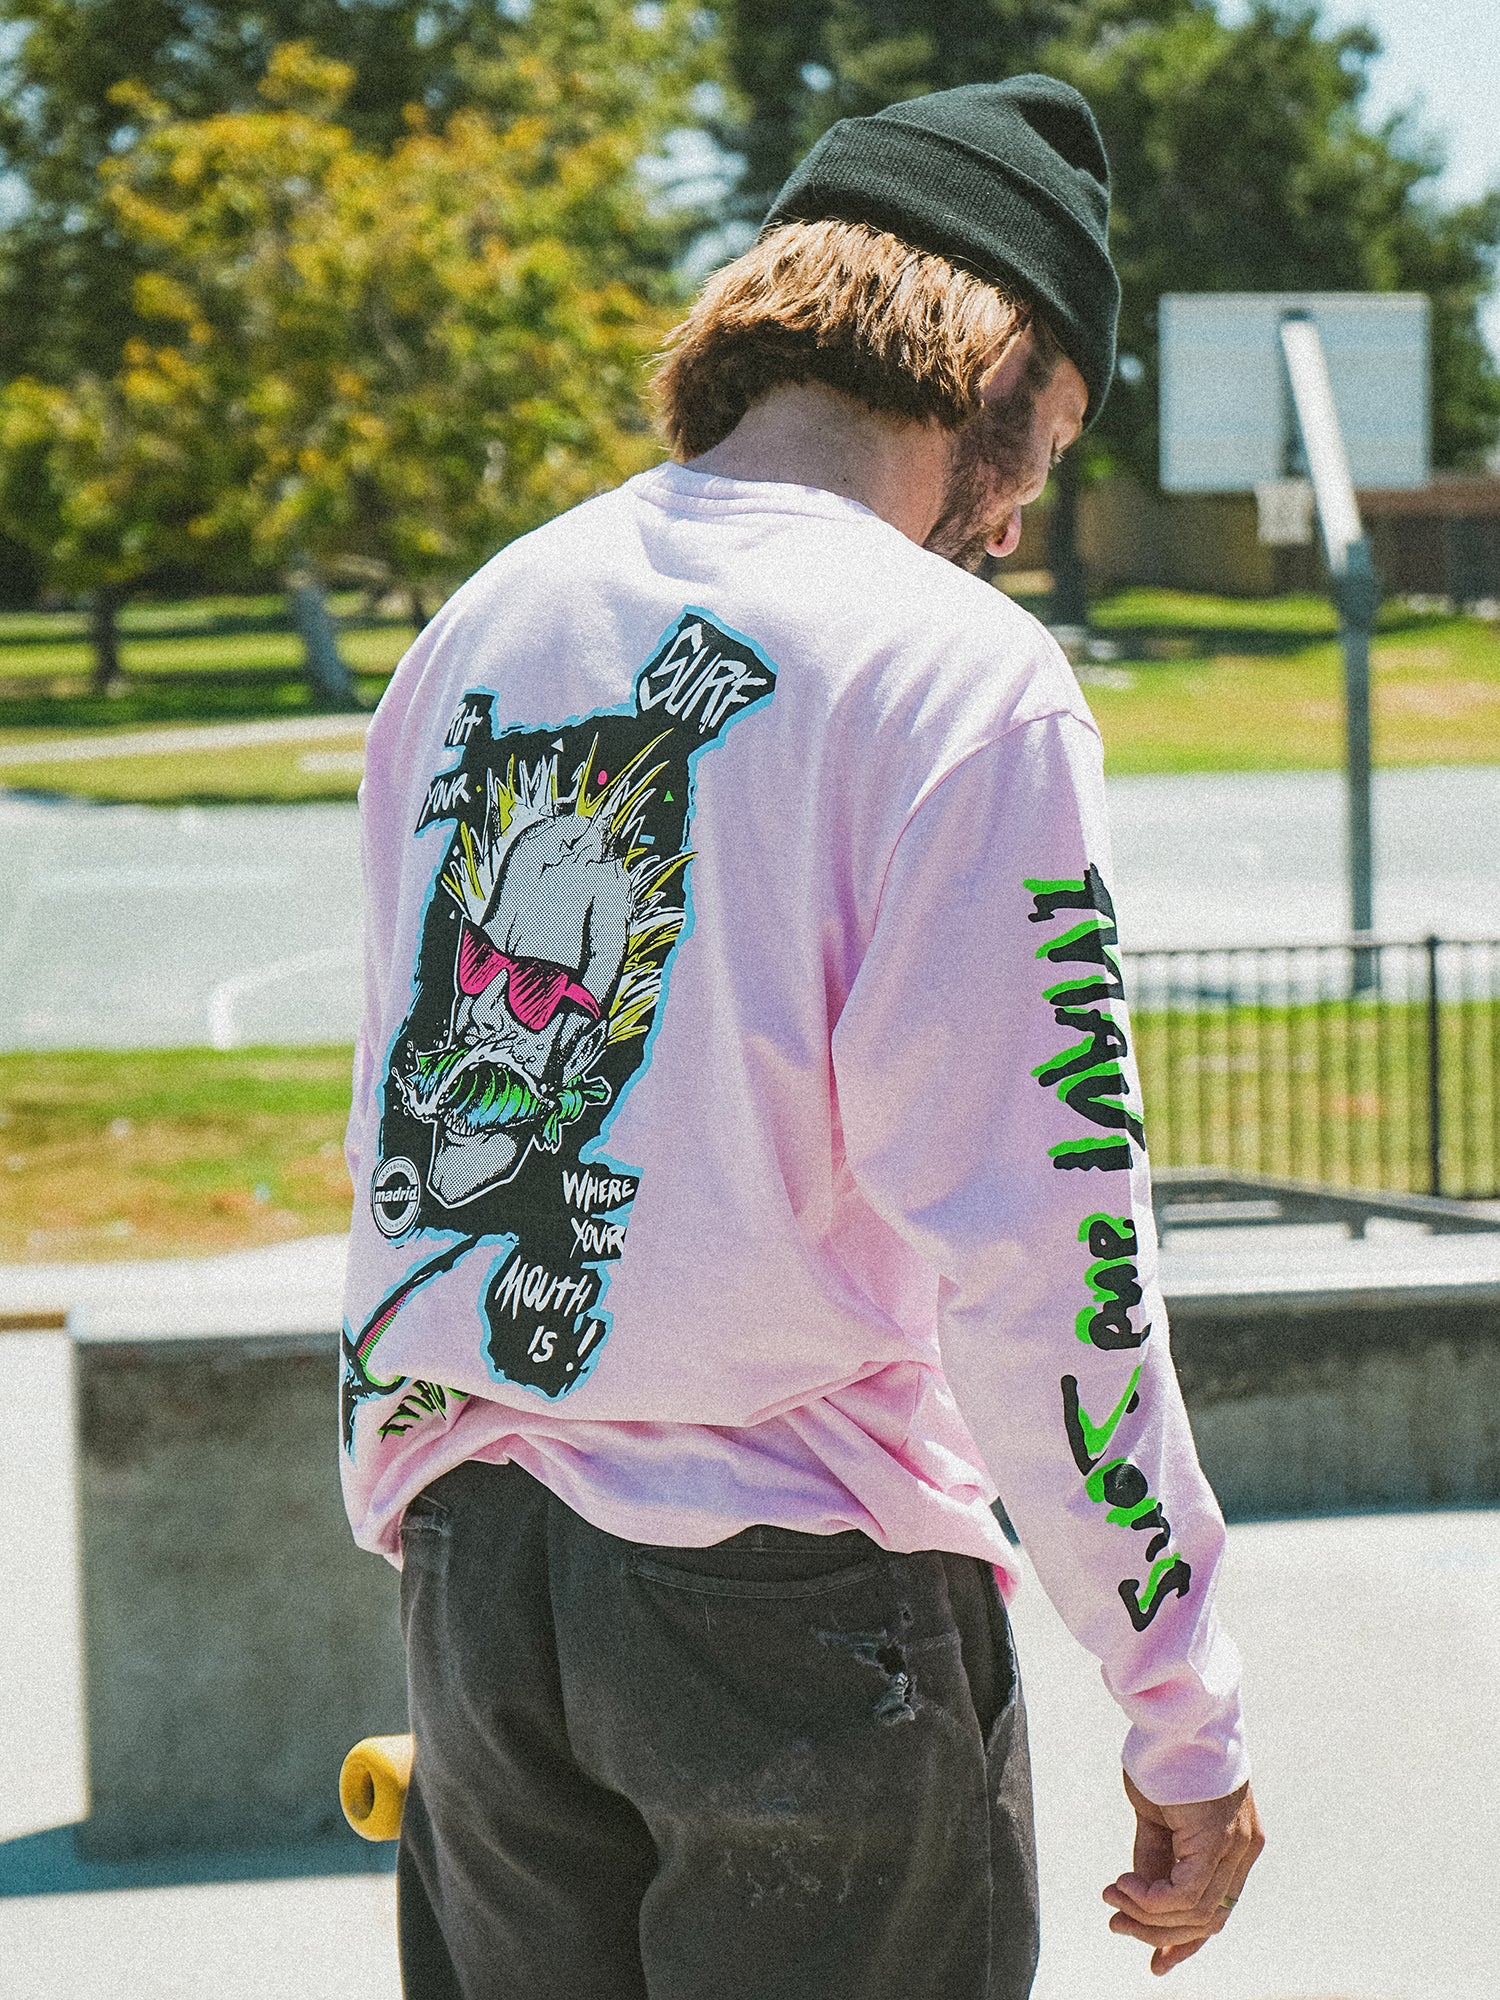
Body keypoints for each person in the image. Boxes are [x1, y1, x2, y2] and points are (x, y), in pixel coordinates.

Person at [339, 73, 1263, 2000]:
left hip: (485, 1574)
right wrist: (1180, 1702)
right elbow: (1044, 1240)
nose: (1022, 513)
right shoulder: (958, 676)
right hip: (805, 1593)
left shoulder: (491, 619)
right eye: (1051, 440)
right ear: (998, 357)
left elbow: (400, 1109)